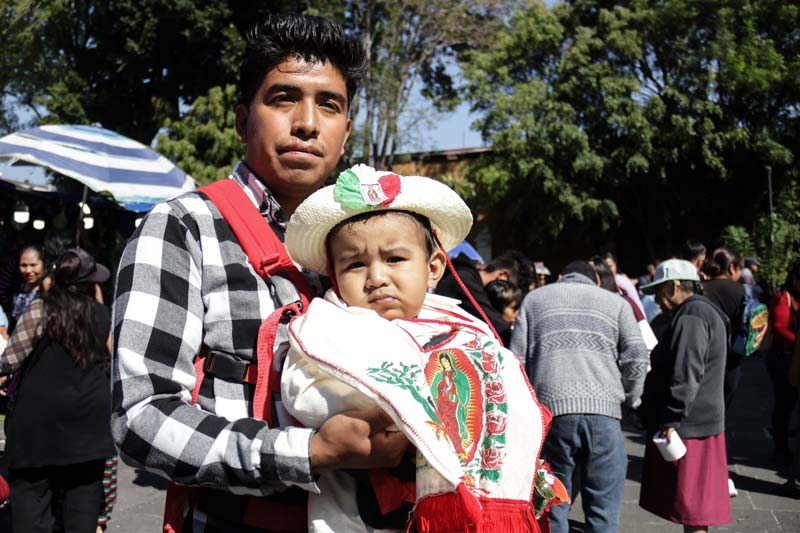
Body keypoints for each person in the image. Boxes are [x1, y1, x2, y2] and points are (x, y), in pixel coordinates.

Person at [111, 14, 408, 533]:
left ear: (346, 133)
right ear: (243, 119)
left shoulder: (375, 247)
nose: (308, 123)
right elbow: (141, 419)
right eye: (284, 98)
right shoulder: (182, 228)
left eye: (329, 105)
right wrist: (309, 452)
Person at [281, 165, 552, 532]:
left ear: (434, 267)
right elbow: (305, 394)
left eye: (394, 259)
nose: (376, 277)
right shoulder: (328, 330)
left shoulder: (462, 328)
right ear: (334, 274)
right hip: (359, 517)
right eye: (355, 264)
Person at [511, 260, 649, 533]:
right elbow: (637, 356)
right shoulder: (616, 303)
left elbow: (515, 361)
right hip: (605, 415)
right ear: (596, 280)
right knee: (603, 513)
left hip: (551, 415)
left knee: (552, 508)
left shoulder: (534, 300)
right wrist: (630, 397)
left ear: (561, 276)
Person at [1, 248, 115, 532]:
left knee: (31, 505)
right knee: (82, 508)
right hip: (88, 426)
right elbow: (117, 360)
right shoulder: (102, 316)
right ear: (89, 285)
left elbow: (10, 359)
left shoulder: (42, 308)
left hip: (36, 426)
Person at [638, 259, 731, 532]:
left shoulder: (692, 315)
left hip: (690, 426)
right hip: (699, 421)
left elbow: (686, 373)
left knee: (693, 511)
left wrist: (671, 418)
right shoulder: (701, 311)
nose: (656, 299)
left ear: (676, 285)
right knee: (695, 511)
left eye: (659, 291)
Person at [436, 252, 523, 345]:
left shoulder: (469, 279)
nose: (504, 290)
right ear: (502, 274)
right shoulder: (464, 280)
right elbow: (492, 322)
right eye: (508, 285)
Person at [765, 262, 800, 465]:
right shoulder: (782, 297)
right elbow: (779, 327)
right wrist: (797, 343)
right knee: (785, 404)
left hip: (793, 354)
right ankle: (780, 448)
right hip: (783, 357)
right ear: (794, 279)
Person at [11, 245, 46, 326]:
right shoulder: (19, 289)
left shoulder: (48, 292)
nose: (28, 270)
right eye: (23, 265)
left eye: (33, 265)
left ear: (44, 264)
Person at [602, 251, 645, 316]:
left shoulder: (622, 280)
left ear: (615, 264)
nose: (609, 270)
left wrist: (643, 319)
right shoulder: (603, 285)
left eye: (610, 266)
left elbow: (636, 301)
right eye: (606, 267)